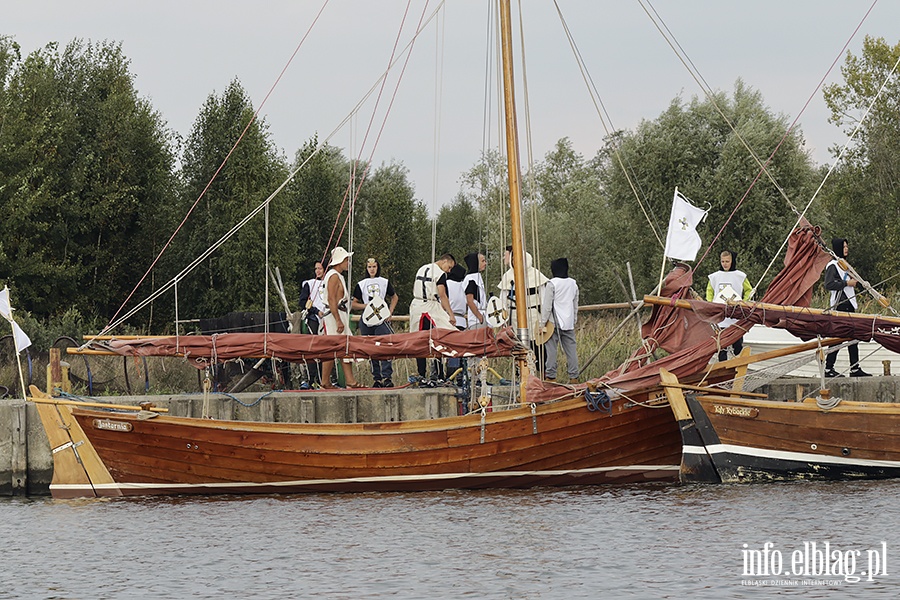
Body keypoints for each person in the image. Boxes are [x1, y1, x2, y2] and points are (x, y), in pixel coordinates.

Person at [823, 238, 871, 377]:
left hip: (849, 305)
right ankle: (828, 369)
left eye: (847, 246)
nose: (846, 249)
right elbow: (829, 284)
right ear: (838, 248)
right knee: (838, 337)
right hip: (840, 305)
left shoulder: (844, 265)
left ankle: (854, 368)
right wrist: (846, 283)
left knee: (853, 338)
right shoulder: (833, 265)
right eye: (844, 246)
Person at [498, 246, 549, 376]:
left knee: (537, 347)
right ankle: (520, 376)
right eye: (514, 259)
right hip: (514, 316)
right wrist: (503, 320)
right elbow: (502, 299)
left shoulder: (536, 275)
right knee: (518, 347)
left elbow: (544, 298)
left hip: (533, 315)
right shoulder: (508, 276)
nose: (516, 262)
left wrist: (544, 320)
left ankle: (541, 375)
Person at [351, 257, 399, 388]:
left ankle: (387, 376)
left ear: (378, 267)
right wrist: (366, 306)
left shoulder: (384, 282)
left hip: (381, 318)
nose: (372, 269)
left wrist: (390, 312)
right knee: (371, 349)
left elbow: (394, 297)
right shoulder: (361, 284)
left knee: (385, 346)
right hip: (367, 319)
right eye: (369, 267)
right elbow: (353, 304)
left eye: (374, 266)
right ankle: (376, 378)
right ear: (366, 268)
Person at [320, 246, 362, 388]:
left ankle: (349, 380)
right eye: (346, 260)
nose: (348, 263)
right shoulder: (333, 276)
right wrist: (338, 319)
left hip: (340, 313)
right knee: (334, 347)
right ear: (340, 261)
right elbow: (332, 299)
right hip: (334, 316)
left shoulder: (337, 276)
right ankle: (326, 381)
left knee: (344, 347)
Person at [409, 253, 457, 380]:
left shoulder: (422, 268)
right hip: (431, 306)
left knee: (418, 341)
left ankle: (421, 374)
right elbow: (442, 295)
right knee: (439, 338)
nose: (449, 270)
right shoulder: (440, 274)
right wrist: (450, 315)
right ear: (445, 261)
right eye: (449, 267)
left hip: (417, 306)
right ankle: (440, 374)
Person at [705, 249, 753, 362]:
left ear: (732, 261)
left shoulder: (740, 276)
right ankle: (723, 367)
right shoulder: (714, 277)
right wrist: (711, 304)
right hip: (720, 316)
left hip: (736, 315)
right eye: (723, 261)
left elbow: (749, 290)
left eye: (727, 261)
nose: (725, 264)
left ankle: (737, 364)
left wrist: (744, 303)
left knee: (737, 344)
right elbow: (709, 291)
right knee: (722, 345)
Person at [540, 258, 580, 383]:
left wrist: (542, 324)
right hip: (568, 322)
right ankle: (574, 377)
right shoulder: (573, 283)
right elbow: (575, 304)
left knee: (551, 349)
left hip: (553, 322)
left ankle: (551, 377)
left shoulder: (552, 284)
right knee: (571, 350)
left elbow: (547, 307)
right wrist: (573, 320)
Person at [298, 261, 326, 385]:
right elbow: (302, 302)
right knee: (313, 348)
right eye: (316, 269)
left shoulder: (331, 281)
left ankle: (324, 379)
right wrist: (315, 310)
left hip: (328, 319)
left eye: (320, 268)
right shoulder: (309, 284)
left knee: (325, 349)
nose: (318, 271)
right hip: (314, 319)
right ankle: (309, 379)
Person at [463, 252, 488, 328]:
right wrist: (480, 317)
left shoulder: (477, 277)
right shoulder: (471, 279)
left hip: (483, 316)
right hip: (476, 320)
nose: (485, 263)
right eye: (483, 261)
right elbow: (470, 300)